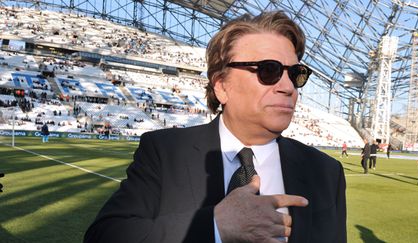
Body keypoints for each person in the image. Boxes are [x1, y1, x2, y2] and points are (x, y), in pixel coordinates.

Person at [84, 11, 346, 243]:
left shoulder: (326, 171)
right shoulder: (165, 153)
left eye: (295, 74)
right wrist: (215, 226)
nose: (288, 87)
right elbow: (105, 235)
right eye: (269, 71)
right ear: (221, 86)